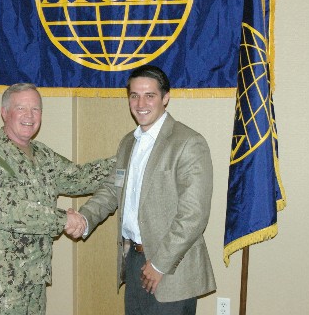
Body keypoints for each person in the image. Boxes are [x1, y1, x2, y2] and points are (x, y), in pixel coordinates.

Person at [0, 83, 114, 315]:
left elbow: (78, 177)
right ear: (4, 113)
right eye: (21, 108)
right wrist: (64, 220)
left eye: (36, 109)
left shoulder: (41, 154)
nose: (29, 116)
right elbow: (11, 212)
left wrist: (125, 161)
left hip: (33, 277)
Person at [75, 65, 216, 314]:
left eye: (149, 95)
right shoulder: (128, 142)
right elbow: (111, 189)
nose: (140, 103)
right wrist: (84, 218)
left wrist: (160, 264)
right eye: (134, 95)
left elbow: (194, 215)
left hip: (171, 267)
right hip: (134, 260)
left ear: (165, 97)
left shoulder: (188, 143)